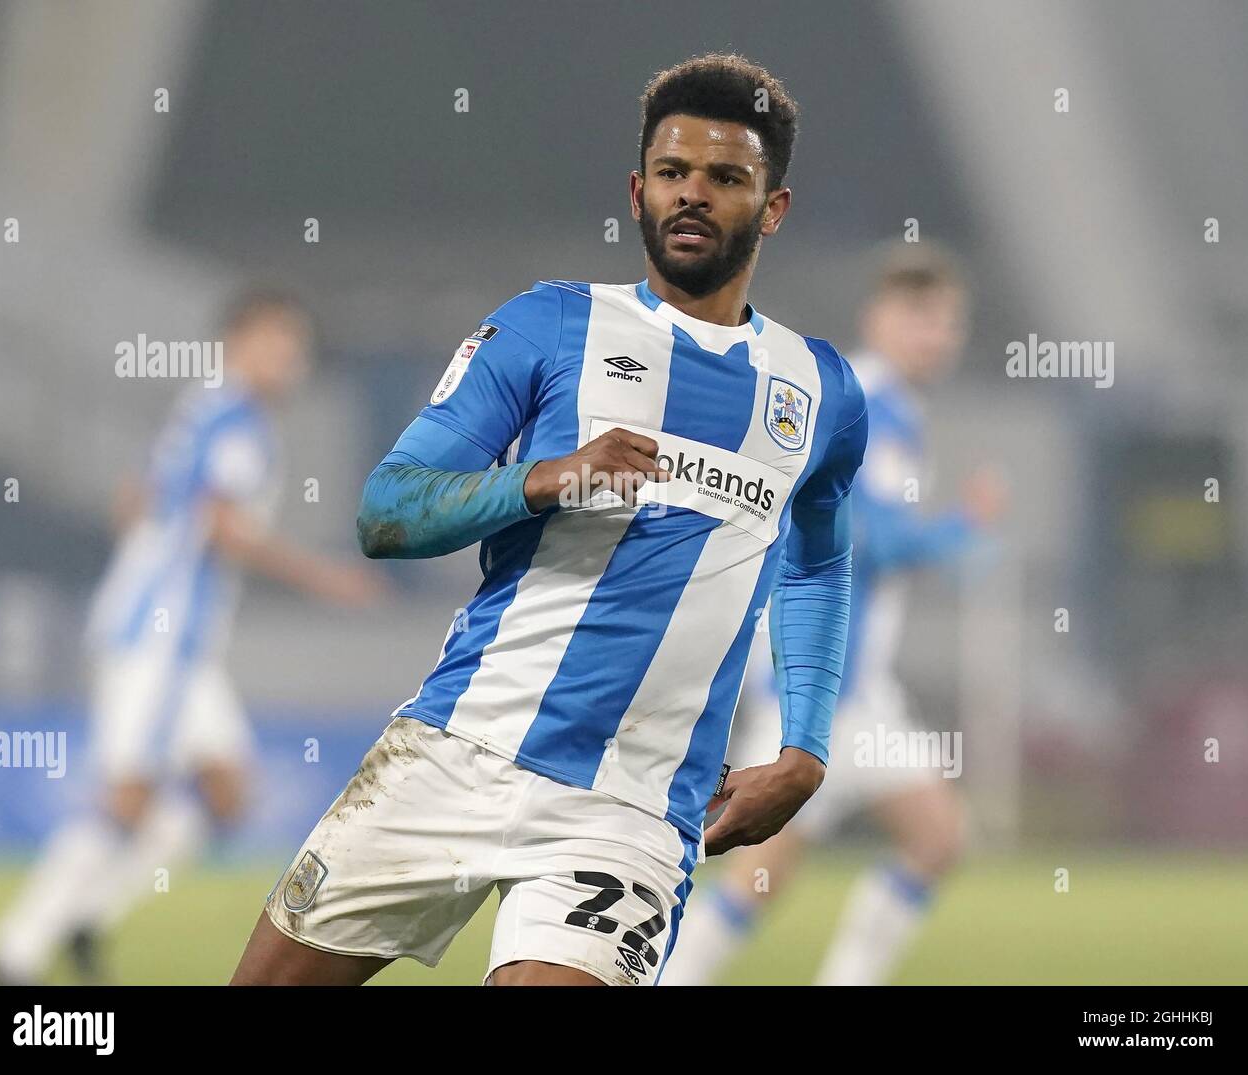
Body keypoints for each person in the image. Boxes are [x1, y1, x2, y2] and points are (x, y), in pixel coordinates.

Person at [231, 53, 869, 987]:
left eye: (726, 178)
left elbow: (818, 565)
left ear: (771, 207)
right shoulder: (549, 325)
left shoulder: (821, 391)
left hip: (633, 807)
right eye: (672, 173)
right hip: (457, 749)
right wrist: (547, 479)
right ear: (637, 191)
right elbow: (387, 510)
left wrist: (807, 748)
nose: (693, 195)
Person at [0, 289, 380, 984]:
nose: (289, 361)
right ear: (237, 340)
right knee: (130, 795)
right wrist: (325, 578)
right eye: (276, 343)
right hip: (160, 639)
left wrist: (158, 539)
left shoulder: (199, 409)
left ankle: (88, 915)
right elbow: (223, 525)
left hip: (176, 641)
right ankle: (14, 950)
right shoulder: (236, 422)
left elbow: (133, 499)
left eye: (295, 349)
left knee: (227, 792)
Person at [660, 247, 1005, 986]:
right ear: (878, 318)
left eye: (946, 322)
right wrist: (963, 530)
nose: (934, 336)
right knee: (763, 871)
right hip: (818, 685)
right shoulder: (866, 406)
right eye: (918, 318)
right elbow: (868, 538)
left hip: (850, 686)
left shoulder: (888, 406)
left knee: (931, 837)